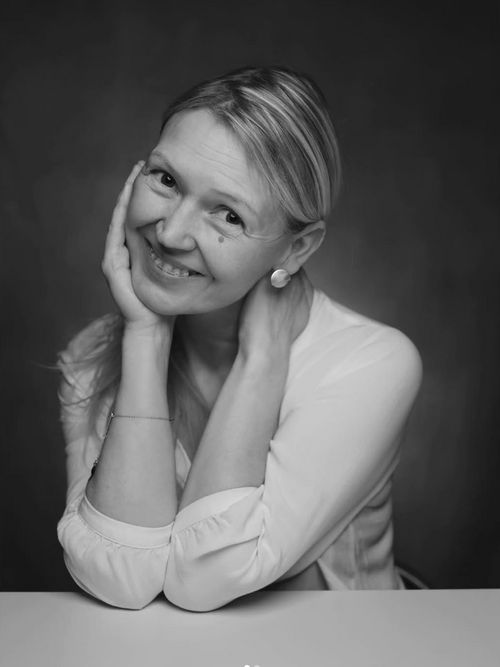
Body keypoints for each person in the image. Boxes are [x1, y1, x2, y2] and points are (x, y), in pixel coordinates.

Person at [56, 66, 423, 612]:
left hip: (344, 647)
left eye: (228, 215)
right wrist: (144, 337)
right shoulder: (92, 357)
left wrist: (261, 358)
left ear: (296, 250)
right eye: (166, 180)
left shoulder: (370, 364)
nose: (171, 233)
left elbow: (205, 579)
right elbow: (120, 579)